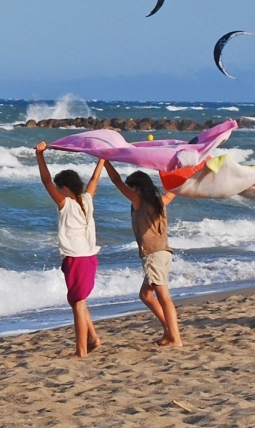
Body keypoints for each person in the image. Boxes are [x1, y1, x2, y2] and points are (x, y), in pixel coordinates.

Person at [35, 141, 105, 358]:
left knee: (77, 303)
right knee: (77, 300)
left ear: (64, 189)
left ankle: (81, 351)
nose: (55, 191)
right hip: (89, 258)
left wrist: (40, 155)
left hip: (77, 259)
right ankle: (93, 339)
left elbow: (45, 181)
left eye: (58, 188)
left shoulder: (65, 203)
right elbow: (94, 180)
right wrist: (102, 157)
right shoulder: (87, 200)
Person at [103, 161, 183, 347]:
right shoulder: (160, 201)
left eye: (131, 188)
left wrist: (105, 161)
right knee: (146, 295)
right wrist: (182, 174)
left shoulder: (139, 201)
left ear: (137, 188)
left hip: (154, 255)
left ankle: (176, 338)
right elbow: (177, 190)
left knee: (163, 296)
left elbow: (116, 181)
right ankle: (168, 331)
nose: (130, 192)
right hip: (162, 253)